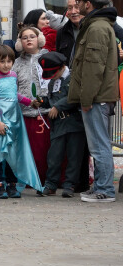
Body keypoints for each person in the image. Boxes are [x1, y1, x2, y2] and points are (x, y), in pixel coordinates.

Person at [69, 0, 119, 203]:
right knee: (99, 145)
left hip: (96, 98)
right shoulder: (97, 25)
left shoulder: (97, 28)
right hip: (98, 96)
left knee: (99, 145)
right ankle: (100, 185)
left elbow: (93, 67)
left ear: (88, 4)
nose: (76, 5)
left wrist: (86, 99)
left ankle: (105, 190)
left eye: (79, 1)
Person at [0, 45, 43, 199]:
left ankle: (11, 183)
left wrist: (30, 102)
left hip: (14, 119)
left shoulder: (13, 75)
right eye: (3, 61)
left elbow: (15, 95)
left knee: (12, 151)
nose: (6, 64)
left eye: (9, 61)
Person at [37, 52, 85, 198]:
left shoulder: (74, 78)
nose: (52, 76)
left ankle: (69, 185)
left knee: (74, 156)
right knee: (54, 156)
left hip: (74, 123)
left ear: (62, 67)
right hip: (58, 124)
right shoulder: (53, 81)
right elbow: (52, 100)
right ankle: (51, 184)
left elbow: (74, 97)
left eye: (54, 72)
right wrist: (41, 102)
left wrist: (58, 106)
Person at [12, 26, 50, 183]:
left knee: (44, 151)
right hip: (25, 114)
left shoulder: (48, 58)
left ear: (39, 39)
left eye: (32, 36)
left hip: (46, 113)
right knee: (28, 151)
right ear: (20, 42)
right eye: (24, 37)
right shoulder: (16, 63)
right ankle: (28, 180)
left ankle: (45, 180)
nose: (28, 39)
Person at [55, 0, 84, 65]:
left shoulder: (93, 29)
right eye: (70, 8)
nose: (73, 12)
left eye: (77, 7)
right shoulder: (62, 32)